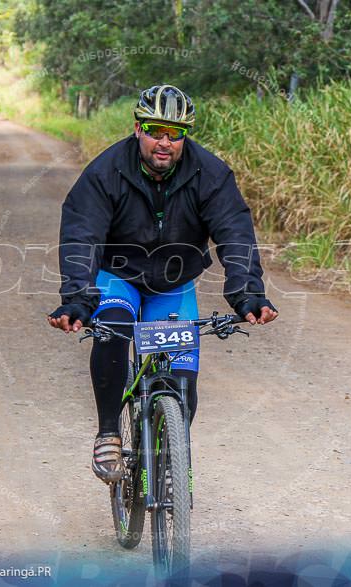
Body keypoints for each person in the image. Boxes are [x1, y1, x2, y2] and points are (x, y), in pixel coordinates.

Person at [47, 84, 278, 483]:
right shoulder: (105, 172)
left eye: (176, 134)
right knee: (114, 328)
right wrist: (77, 301)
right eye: (155, 130)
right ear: (138, 128)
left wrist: (248, 294)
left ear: (186, 136)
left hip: (174, 284)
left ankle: (169, 458)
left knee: (182, 382)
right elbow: (82, 234)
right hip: (117, 276)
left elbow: (234, 233)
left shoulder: (211, 175)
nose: (164, 142)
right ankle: (108, 433)